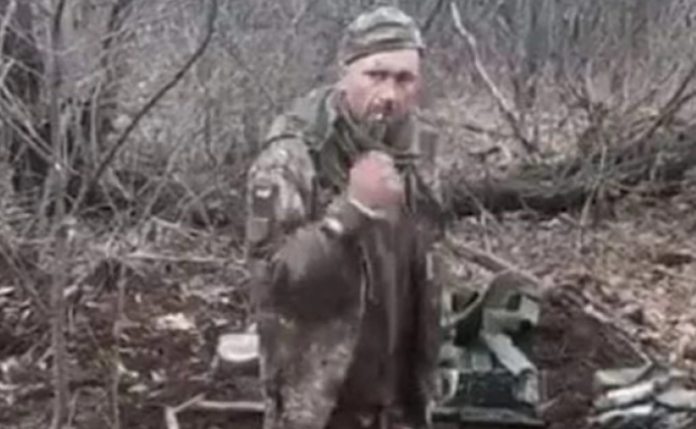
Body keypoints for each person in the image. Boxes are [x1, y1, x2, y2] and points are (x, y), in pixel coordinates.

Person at [245, 6, 445, 429]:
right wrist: (349, 212)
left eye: (404, 79)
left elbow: (429, 255)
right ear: (345, 73)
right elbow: (273, 281)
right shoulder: (293, 153)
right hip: (321, 403)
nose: (389, 94)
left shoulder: (419, 146)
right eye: (376, 75)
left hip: (402, 398)